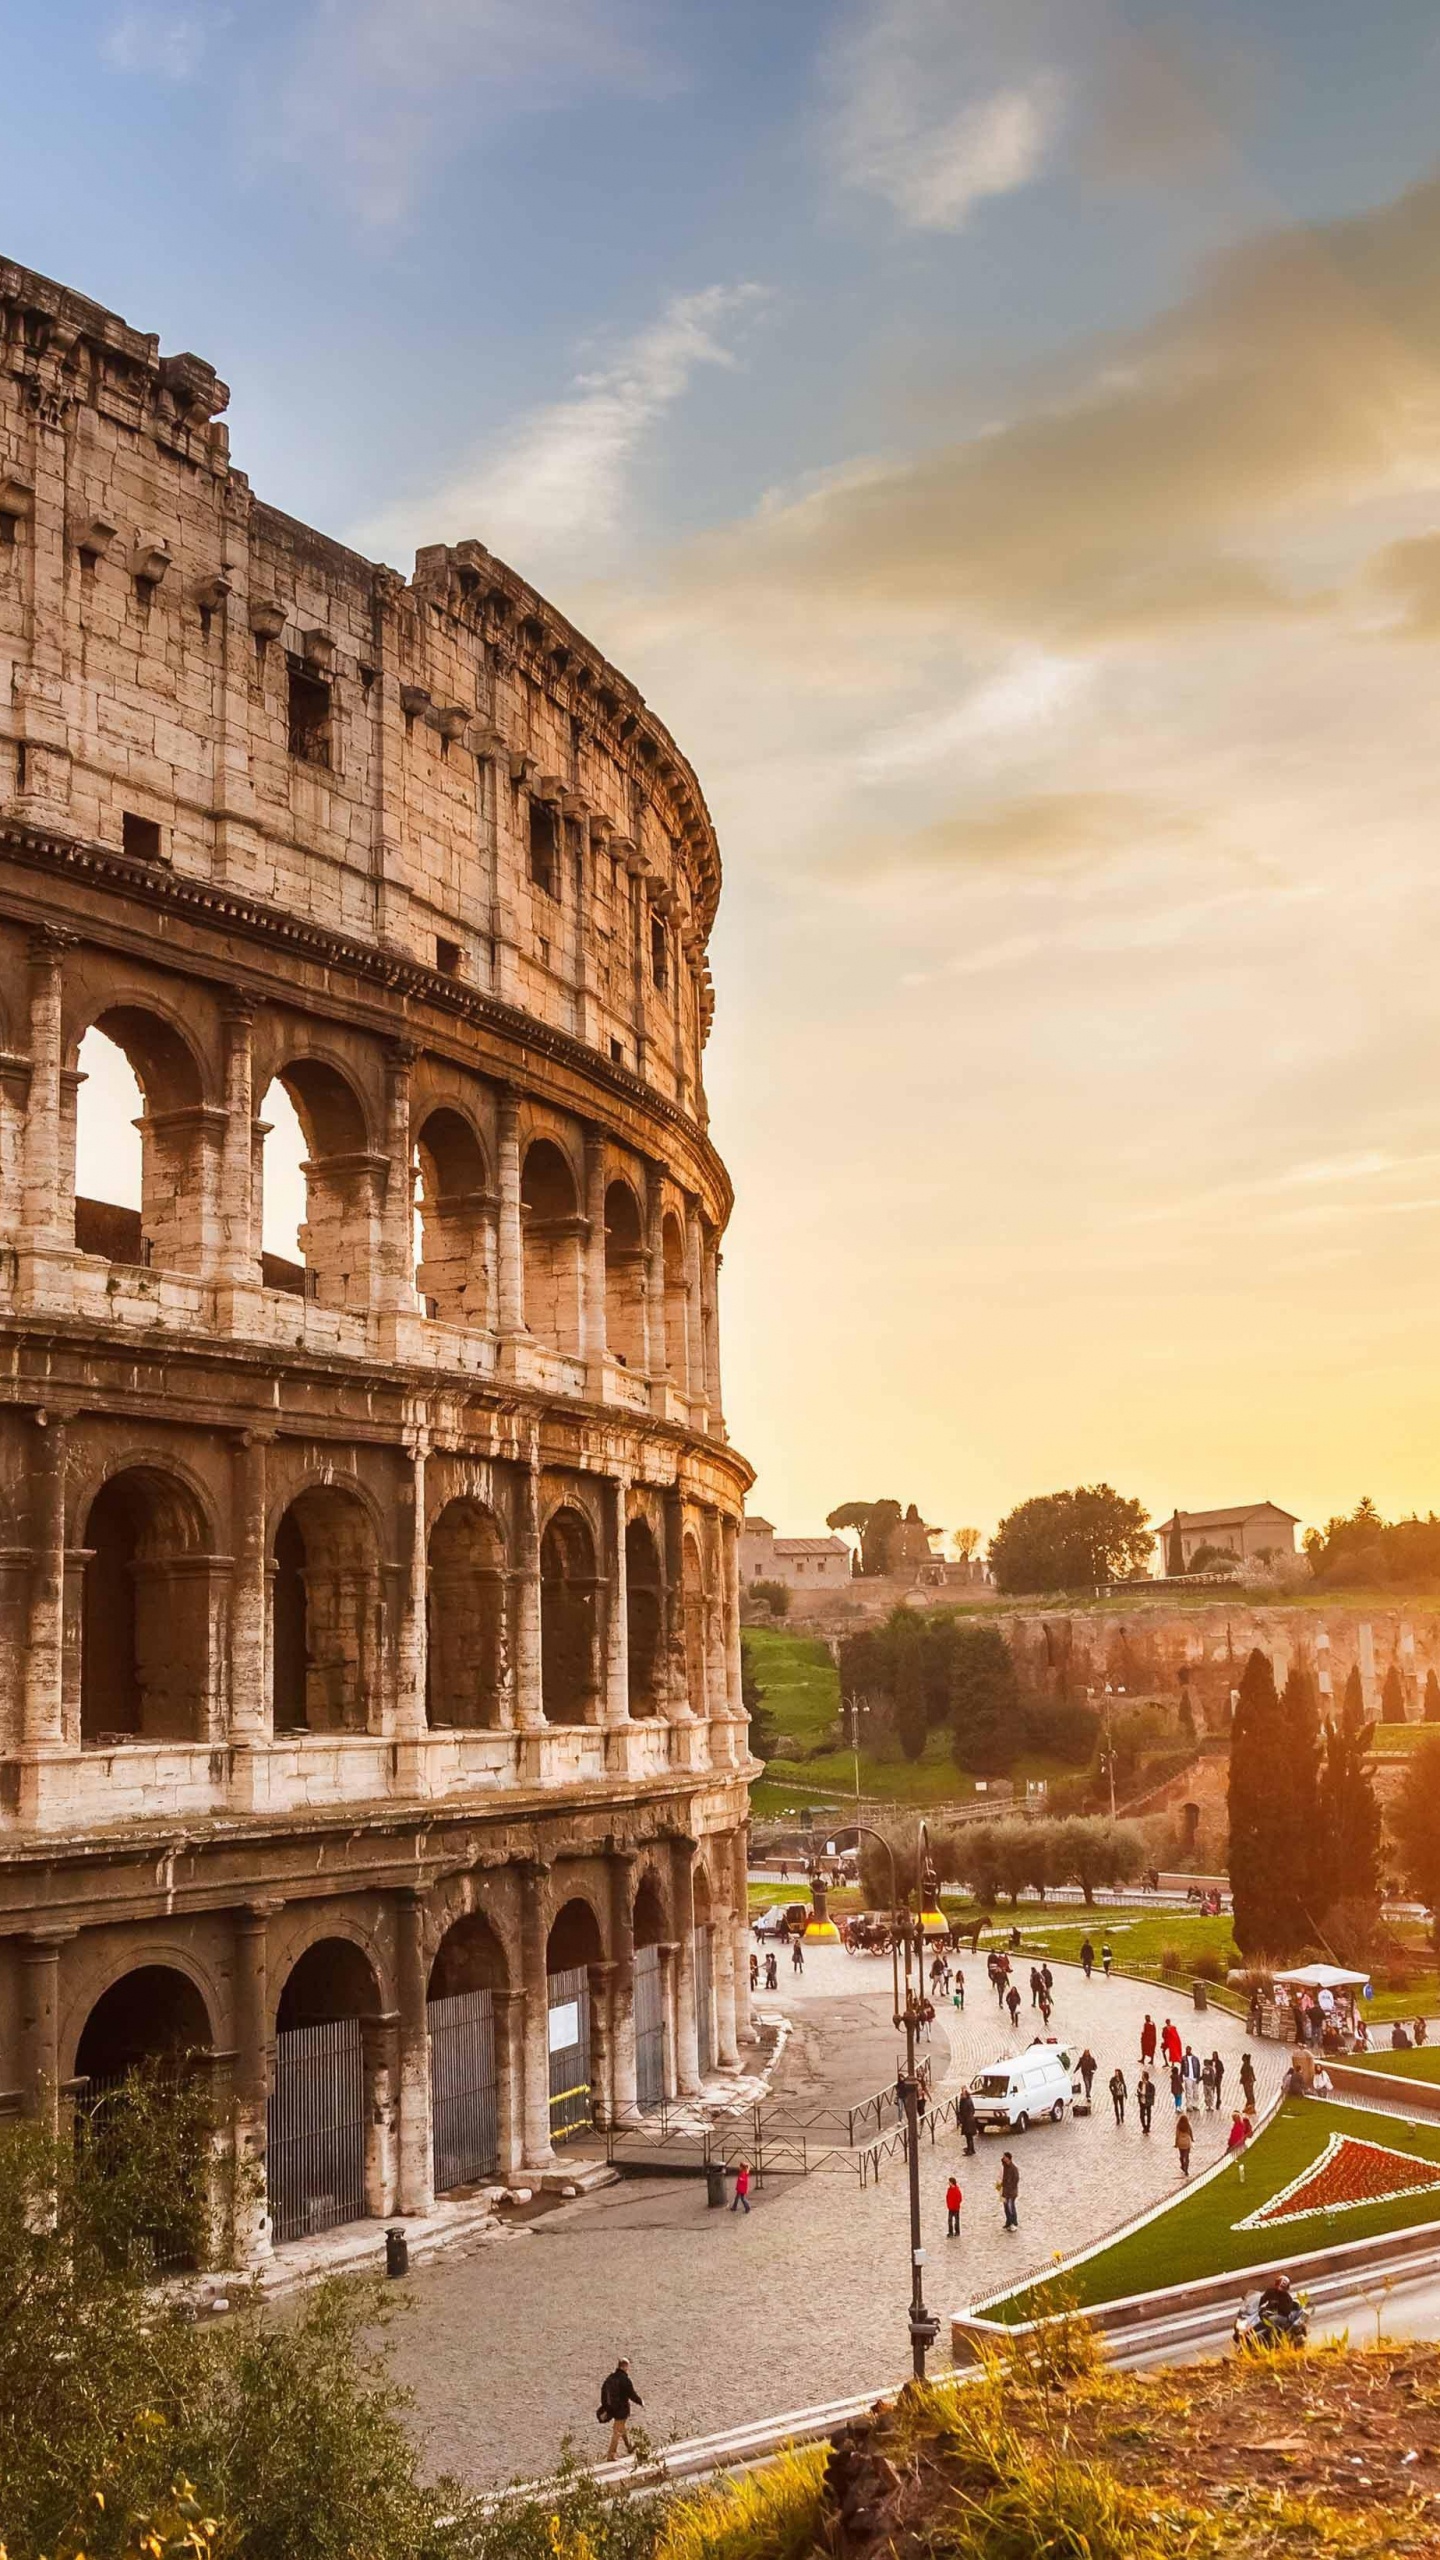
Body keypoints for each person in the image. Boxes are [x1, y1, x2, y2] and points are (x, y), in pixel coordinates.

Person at [598, 2359, 643, 2460]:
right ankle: (611, 2454)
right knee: (617, 2431)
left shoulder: (610, 2378)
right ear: (625, 2367)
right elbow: (631, 2394)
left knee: (621, 2427)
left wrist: (605, 2408)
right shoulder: (624, 2380)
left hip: (612, 2409)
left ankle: (629, 2446)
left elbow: (604, 2393)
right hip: (621, 2410)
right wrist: (640, 2402)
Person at [998, 2150, 1020, 2230]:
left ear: (1008, 2158)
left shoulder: (1013, 2168)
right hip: (1005, 2191)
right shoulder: (1005, 2166)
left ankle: (1013, 2222)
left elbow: (1016, 2179)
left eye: (1004, 2157)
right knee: (1006, 2207)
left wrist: (1010, 2187)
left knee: (1011, 2207)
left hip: (1011, 2192)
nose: (1003, 2158)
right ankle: (1008, 2221)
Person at [958, 2087, 978, 2156]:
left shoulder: (965, 2101)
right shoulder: (969, 2100)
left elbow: (963, 2111)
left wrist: (961, 2120)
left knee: (968, 2136)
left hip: (967, 2121)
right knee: (969, 2136)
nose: (961, 2094)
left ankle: (970, 2150)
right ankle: (971, 2149)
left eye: (962, 2093)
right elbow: (973, 2110)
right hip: (970, 2119)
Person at [1175, 2110, 1195, 2177]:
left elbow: (1177, 2135)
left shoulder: (1178, 2126)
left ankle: (1182, 2165)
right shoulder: (1188, 2125)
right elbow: (1191, 2133)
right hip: (1187, 2142)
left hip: (1180, 2143)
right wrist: (1192, 2139)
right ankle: (1186, 2169)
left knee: (1181, 2155)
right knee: (1187, 2156)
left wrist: (1176, 2143)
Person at [1136, 2066, 1156, 2133]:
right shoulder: (1140, 2083)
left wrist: (1145, 2095)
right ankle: (1144, 2127)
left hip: (1148, 2102)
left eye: (1143, 2076)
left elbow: (1152, 2093)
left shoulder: (1151, 2085)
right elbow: (1138, 2090)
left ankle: (1148, 2127)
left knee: (1148, 2115)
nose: (1142, 2077)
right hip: (1142, 2101)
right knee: (1141, 2116)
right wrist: (1139, 2093)